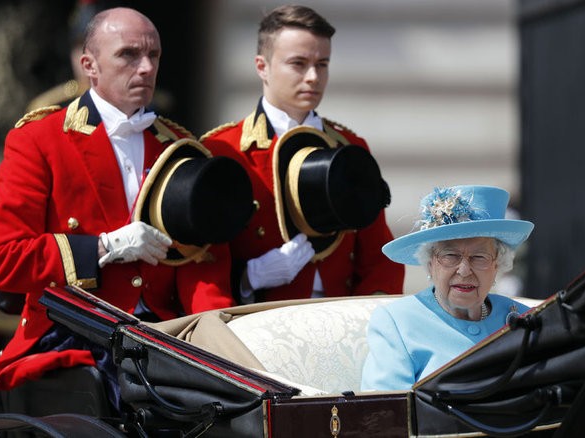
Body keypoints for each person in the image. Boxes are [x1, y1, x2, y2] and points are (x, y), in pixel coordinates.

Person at [0, 7, 237, 403]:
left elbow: (203, 261)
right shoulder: (39, 140)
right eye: (128, 54)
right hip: (71, 335)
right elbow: (3, 259)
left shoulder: (179, 146)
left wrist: (212, 336)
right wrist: (104, 247)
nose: (145, 68)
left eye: (153, 56)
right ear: (88, 64)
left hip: (165, 337)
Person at [200, 4, 404, 303]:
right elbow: (202, 266)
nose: (313, 77)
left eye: (322, 64)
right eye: (298, 63)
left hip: (340, 321)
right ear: (262, 66)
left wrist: (369, 325)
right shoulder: (223, 149)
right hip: (257, 324)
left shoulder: (349, 146)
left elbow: (378, 257)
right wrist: (249, 276)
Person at [361, 185, 534, 391]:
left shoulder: (524, 318)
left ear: (497, 265)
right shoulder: (397, 323)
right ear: (430, 263)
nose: (464, 270)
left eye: (479, 257)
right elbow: (385, 411)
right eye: (450, 256)